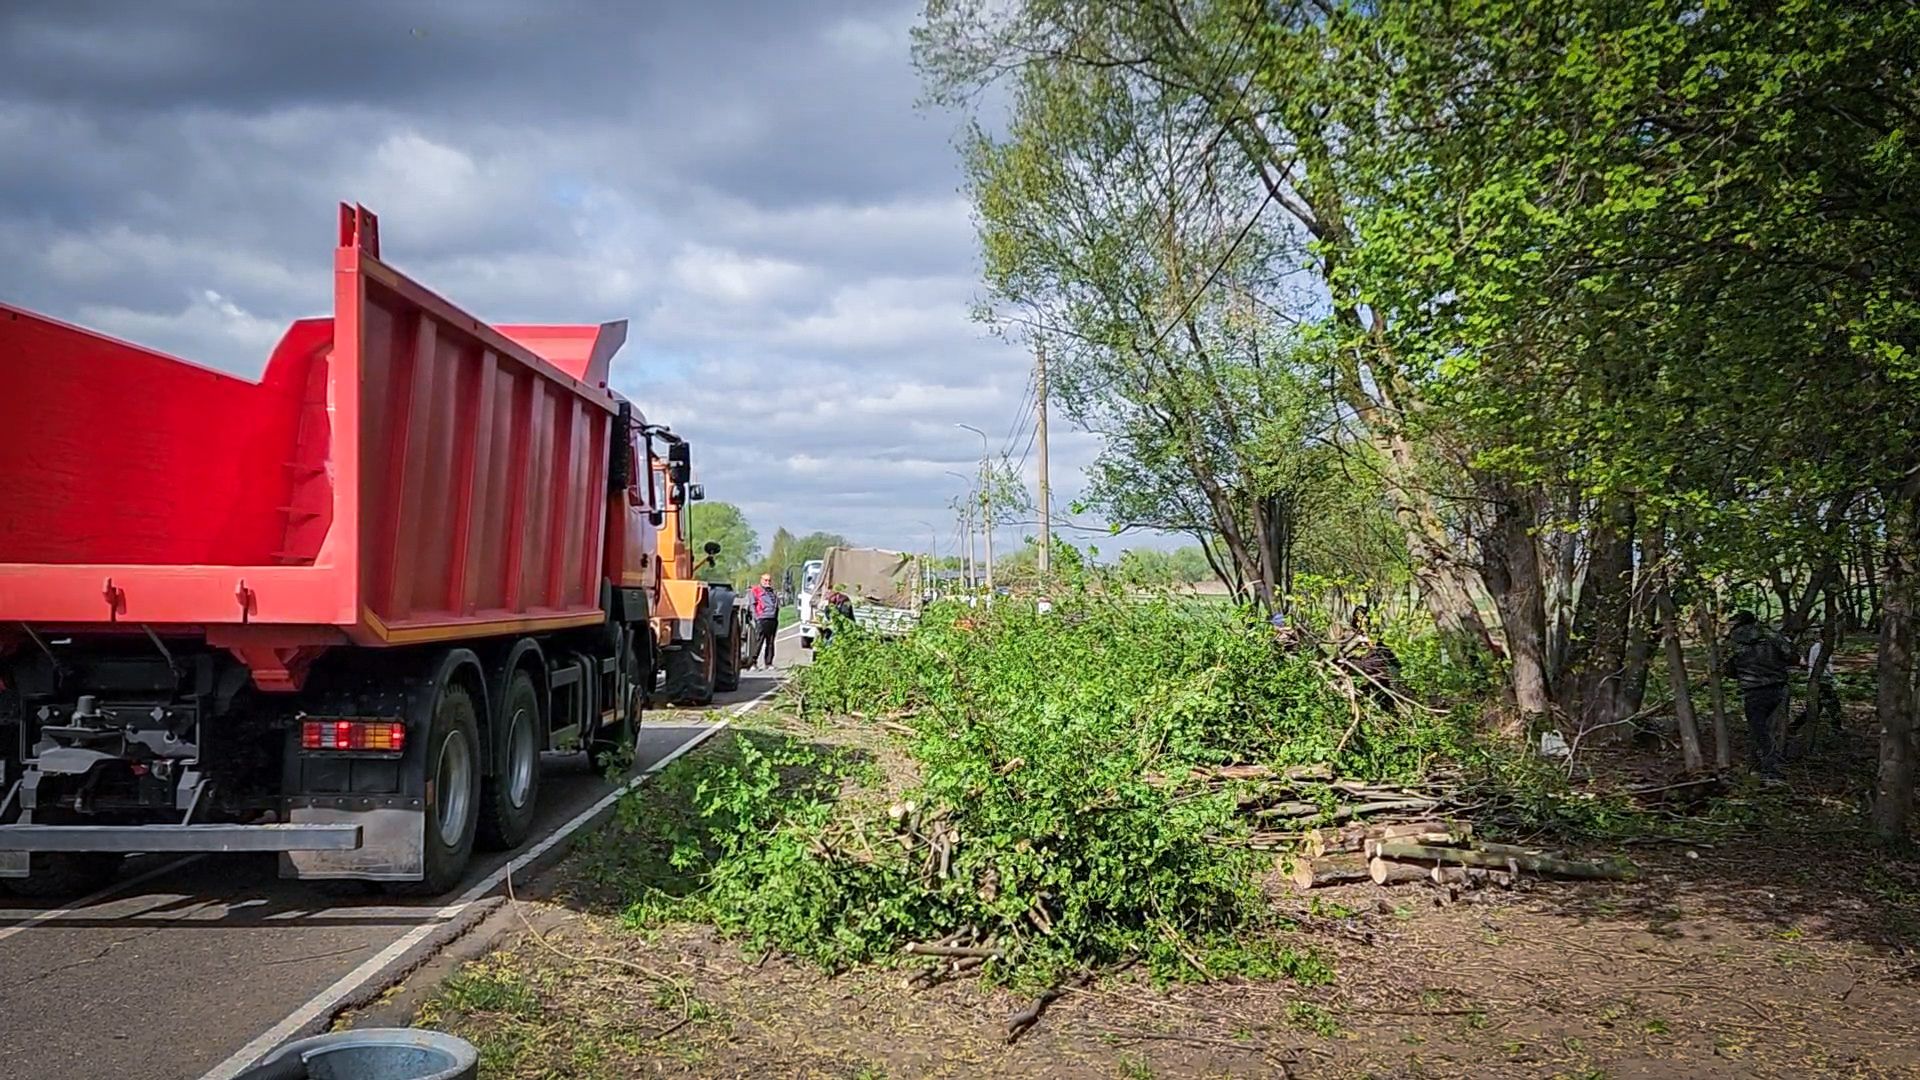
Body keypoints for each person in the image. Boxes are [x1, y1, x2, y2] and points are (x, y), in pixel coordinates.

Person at [1723, 611, 1796, 780]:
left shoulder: (1732, 641)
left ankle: (1763, 768)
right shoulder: (1770, 634)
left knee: (1758, 730)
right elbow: (1791, 656)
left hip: (1752, 690)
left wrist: (1744, 672)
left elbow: (1727, 669)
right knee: (1773, 730)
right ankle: (1768, 767)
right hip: (1778, 687)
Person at [748, 573, 780, 670]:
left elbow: (776, 605)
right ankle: (753, 663)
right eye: (765, 580)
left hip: (772, 619)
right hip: (762, 618)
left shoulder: (773, 592)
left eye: (769, 580)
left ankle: (769, 663)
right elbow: (752, 605)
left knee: (770, 642)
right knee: (759, 641)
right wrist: (756, 617)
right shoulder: (756, 591)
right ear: (761, 581)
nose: (768, 582)